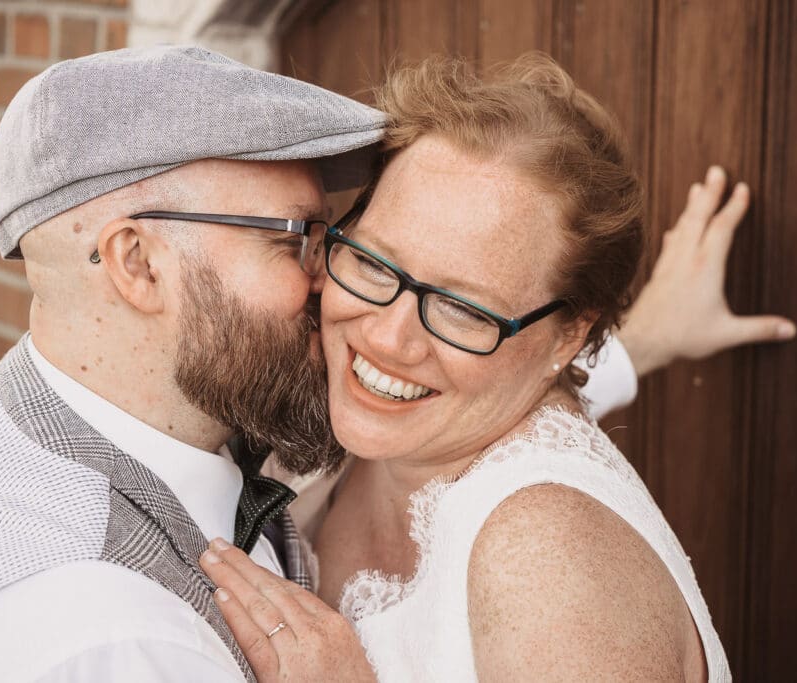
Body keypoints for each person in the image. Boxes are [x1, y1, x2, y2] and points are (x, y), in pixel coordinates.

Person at [198, 54, 767, 681]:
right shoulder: (375, 419)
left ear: (570, 333)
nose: (388, 338)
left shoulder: (549, 563)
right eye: (375, 264)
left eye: (463, 309)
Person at [0, 45, 386, 681]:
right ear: (138, 263)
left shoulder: (25, 426)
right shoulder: (113, 642)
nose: (331, 282)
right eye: (296, 240)